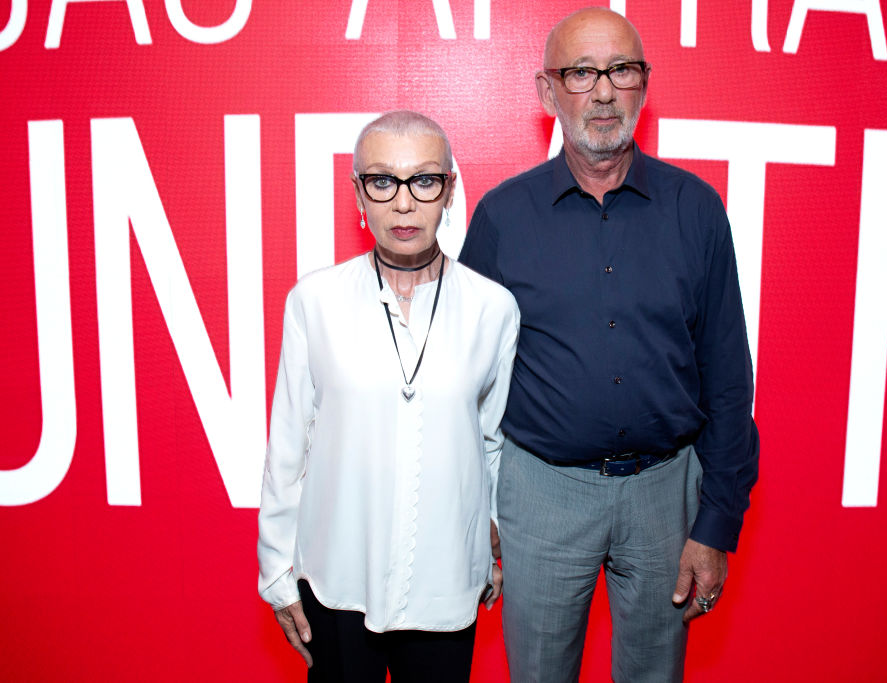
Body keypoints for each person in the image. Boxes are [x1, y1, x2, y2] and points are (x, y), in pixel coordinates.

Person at [459, 7, 759, 682]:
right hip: (541, 494)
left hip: (664, 492)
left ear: (644, 85)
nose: (601, 91)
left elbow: (729, 377)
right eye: (580, 72)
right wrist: (473, 508)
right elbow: (464, 382)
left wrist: (716, 522)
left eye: (620, 70)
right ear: (547, 92)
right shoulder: (502, 218)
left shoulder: (697, 210)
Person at [257, 110, 519, 682]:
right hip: (337, 576)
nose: (404, 203)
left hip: (446, 575)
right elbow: (287, 449)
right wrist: (277, 571)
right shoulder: (314, 301)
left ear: (449, 190)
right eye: (383, 181)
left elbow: (493, 441)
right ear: (358, 192)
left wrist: (491, 546)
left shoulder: (492, 308)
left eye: (424, 180)